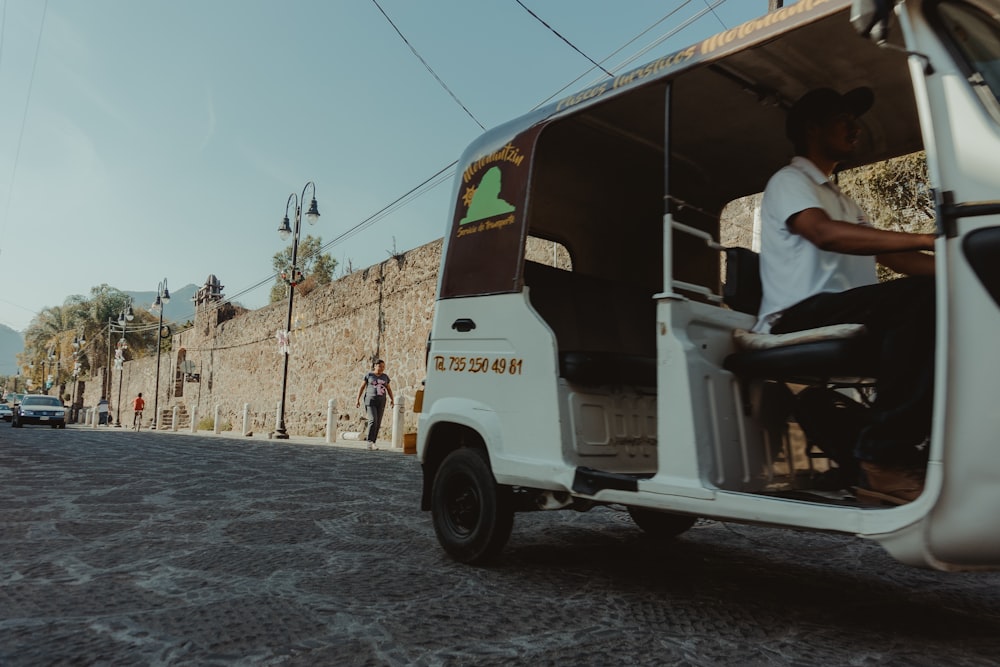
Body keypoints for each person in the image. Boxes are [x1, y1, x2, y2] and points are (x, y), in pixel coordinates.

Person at [755, 87, 936, 505]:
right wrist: (928, 235)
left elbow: (907, 260)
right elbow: (823, 234)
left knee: (946, 302)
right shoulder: (790, 180)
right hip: (797, 315)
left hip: (844, 312)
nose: (855, 126)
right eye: (843, 118)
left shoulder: (845, 200)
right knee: (920, 300)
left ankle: (908, 453)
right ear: (811, 128)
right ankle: (884, 458)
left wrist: (960, 266)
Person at [356, 359, 394, 450]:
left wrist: (392, 400)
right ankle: (369, 441)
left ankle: (373, 442)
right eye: (380, 366)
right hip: (370, 401)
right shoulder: (369, 375)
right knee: (373, 420)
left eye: (383, 367)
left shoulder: (385, 377)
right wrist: (357, 399)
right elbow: (361, 387)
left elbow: (388, 389)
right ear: (375, 366)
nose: (382, 368)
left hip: (381, 401)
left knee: (378, 422)